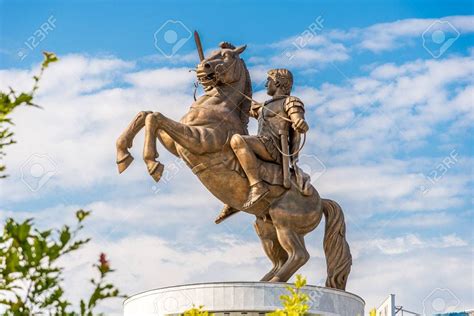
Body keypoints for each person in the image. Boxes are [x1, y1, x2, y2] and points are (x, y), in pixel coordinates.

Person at [215, 69, 309, 224]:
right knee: (228, 145)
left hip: (275, 149)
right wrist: (220, 84)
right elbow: (239, 104)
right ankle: (234, 198)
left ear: (278, 82)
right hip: (262, 144)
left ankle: (257, 186)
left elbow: (298, 118)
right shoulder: (263, 106)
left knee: (238, 140)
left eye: (269, 80)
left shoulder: (291, 101)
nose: (266, 84)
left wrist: (300, 123)